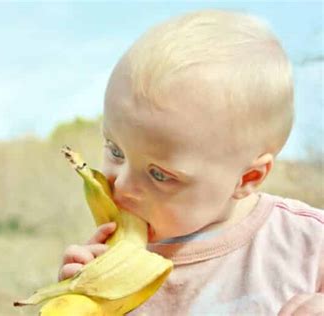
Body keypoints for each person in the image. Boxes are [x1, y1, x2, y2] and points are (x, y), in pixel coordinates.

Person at [57, 9, 323, 315]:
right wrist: (78, 298)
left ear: (247, 178)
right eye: (116, 151)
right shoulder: (109, 259)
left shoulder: (309, 246)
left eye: (158, 174)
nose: (123, 185)